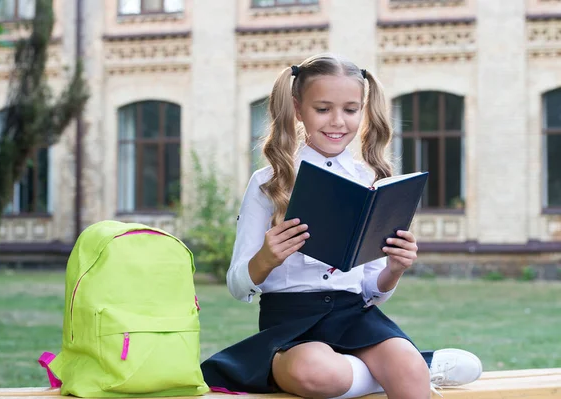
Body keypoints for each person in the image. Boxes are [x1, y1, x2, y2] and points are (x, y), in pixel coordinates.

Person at [200, 53, 482, 399]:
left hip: (354, 316)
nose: (338, 122)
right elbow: (237, 285)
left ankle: (407, 367)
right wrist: (266, 257)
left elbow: (371, 291)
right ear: (298, 108)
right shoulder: (268, 183)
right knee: (318, 373)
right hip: (291, 323)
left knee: (426, 365)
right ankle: (415, 367)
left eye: (350, 110)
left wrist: (395, 268)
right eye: (323, 109)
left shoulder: (371, 181)